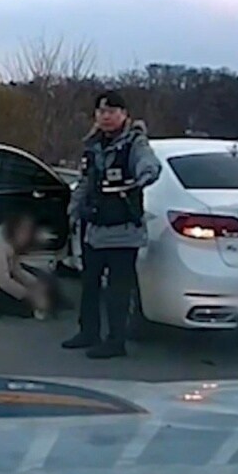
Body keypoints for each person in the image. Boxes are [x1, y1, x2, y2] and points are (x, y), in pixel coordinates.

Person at [62, 90, 161, 358]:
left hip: (122, 230)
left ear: (124, 115)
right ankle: (88, 332)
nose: (106, 117)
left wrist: (147, 173)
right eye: (101, 112)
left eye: (112, 112)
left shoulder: (134, 144)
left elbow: (148, 162)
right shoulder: (93, 146)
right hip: (94, 227)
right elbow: (85, 181)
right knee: (89, 283)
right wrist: (72, 210)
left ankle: (116, 341)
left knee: (118, 288)